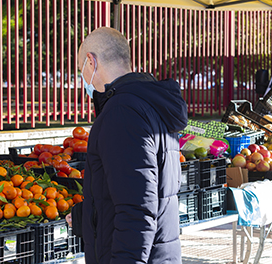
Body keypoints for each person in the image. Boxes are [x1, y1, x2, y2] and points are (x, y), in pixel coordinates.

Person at [70, 27, 188, 263]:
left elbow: (137, 210)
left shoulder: (122, 112)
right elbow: (144, 191)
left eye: (81, 68)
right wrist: (85, 216)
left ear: (91, 62)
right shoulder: (149, 102)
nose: (82, 77)